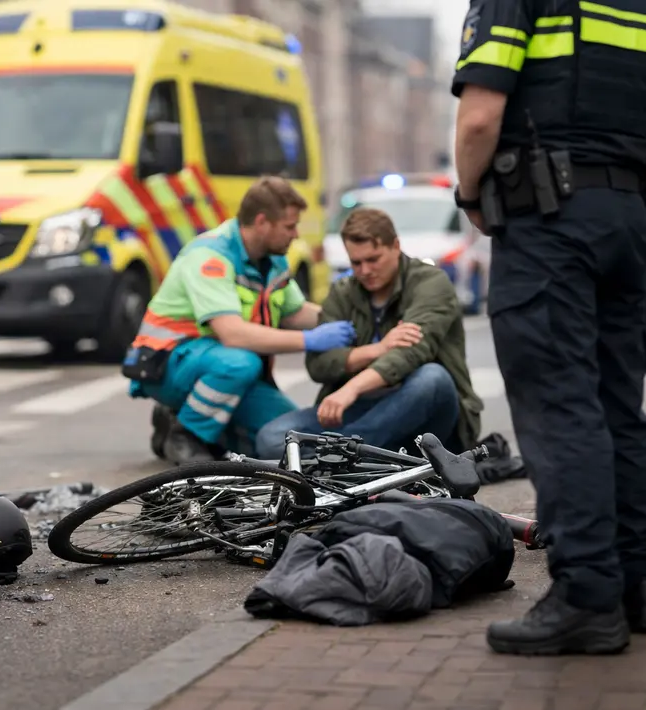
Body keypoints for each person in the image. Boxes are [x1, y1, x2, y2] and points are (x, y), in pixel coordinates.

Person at [452, 0, 646, 655]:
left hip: (549, 221)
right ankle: (630, 588)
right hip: (626, 218)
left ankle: (586, 597)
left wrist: (468, 193)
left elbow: (480, 115)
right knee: (618, 409)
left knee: (562, 409)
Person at [123, 175, 356, 465]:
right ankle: (185, 435)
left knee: (286, 438)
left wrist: (346, 318)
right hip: (165, 364)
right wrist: (310, 341)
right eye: (289, 226)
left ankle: (178, 417)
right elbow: (232, 335)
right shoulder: (210, 257)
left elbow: (294, 312)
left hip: (221, 369)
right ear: (262, 222)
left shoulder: (274, 260)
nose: (295, 234)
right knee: (240, 363)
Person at [255, 207, 482, 460]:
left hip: (423, 412)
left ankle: (341, 458)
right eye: (356, 262)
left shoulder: (430, 282)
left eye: (373, 259)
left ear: (395, 246)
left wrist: (350, 388)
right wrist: (377, 349)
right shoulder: (343, 292)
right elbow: (319, 365)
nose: (364, 270)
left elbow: (410, 352)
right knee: (272, 437)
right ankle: (361, 457)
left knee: (434, 378)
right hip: (361, 408)